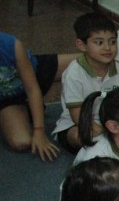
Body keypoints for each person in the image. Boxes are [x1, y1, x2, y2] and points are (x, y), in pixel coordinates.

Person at [52, 12, 119, 154]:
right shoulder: (73, 73)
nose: (107, 47)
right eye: (99, 42)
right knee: (82, 137)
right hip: (77, 123)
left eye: (112, 42)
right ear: (82, 45)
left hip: (109, 121)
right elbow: (77, 115)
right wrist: (105, 133)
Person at [0, 31, 77, 160]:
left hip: (32, 74)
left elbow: (32, 89)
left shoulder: (10, 44)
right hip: (8, 98)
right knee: (21, 142)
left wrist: (39, 130)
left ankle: (33, 108)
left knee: (94, 58)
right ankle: (28, 109)